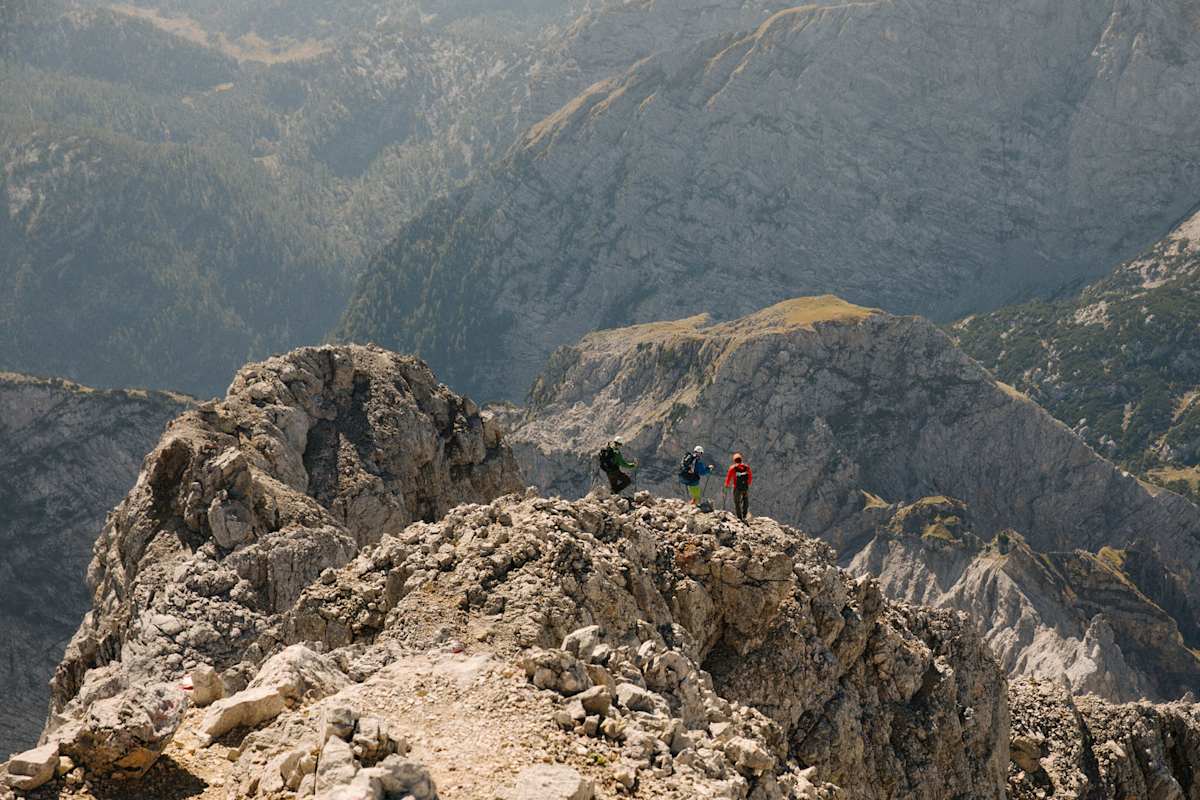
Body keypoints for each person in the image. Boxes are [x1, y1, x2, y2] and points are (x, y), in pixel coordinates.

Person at [724, 452, 753, 521]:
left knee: (737, 502)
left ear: (734, 460)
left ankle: (740, 517)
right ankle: (745, 515)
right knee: (745, 501)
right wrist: (748, 483)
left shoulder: (733, 468)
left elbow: (728, 477)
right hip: (745, 487)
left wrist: (726, 486)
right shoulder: (746, 467)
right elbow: (750, 476)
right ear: (741, 459)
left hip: (737, 487)